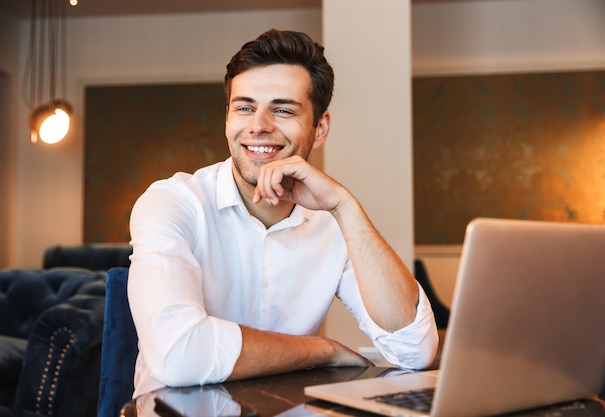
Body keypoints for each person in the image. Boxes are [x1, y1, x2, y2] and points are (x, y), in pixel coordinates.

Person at [127, 28, 438, 398]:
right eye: (244, 107)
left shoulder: (332, 222)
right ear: (227, 118)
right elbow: (178, 354)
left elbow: (414, 351)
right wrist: (324, 350)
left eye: (282, 109)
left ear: (319, 128)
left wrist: (344, 207)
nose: (258, 125)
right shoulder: (172, 203)